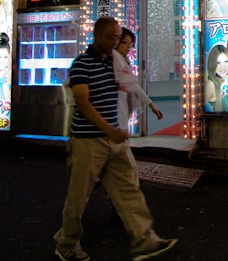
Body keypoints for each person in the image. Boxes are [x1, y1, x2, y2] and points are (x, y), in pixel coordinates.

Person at [54, 17, 176, 261]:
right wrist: (110, 131)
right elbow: (83, 103)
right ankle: (66, 244)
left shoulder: (116, 62)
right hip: (88, 141)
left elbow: (132, 87)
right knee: (78, 198)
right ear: (97, 35)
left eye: (118, 38)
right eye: (112, 37)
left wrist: (144, 108)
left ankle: (144, 240)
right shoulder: (82, 64)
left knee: (129, 189)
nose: (116, 42)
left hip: (115, 140)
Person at [114, 28, 163, 134]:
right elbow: (134, 86)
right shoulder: (115, 61)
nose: (128, 47)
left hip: (121, 112)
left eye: (130, 44)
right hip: (115, 115)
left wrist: (151, 105)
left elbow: (134, 86)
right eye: (125, 43)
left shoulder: (123, 60)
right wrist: (151, 105)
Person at [204, 44, 228, 112]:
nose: (223, 67)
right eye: (218, 63)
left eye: (226, 62)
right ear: (212, 64)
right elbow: (197, 108)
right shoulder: (211, 84)